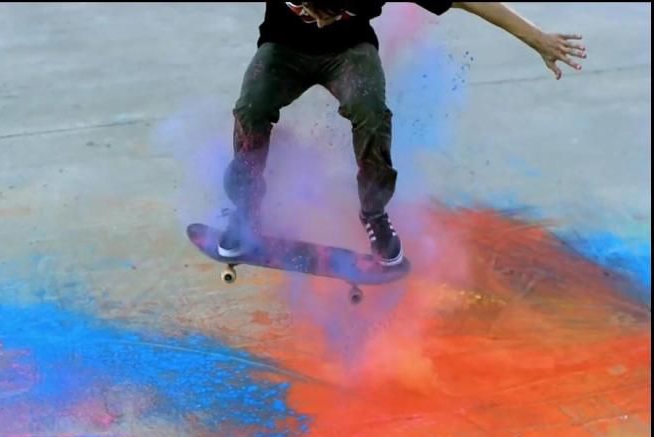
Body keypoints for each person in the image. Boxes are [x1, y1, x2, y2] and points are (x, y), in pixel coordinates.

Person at [218, 0, 586, 265]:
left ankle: (374, 213)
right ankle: (246, 208)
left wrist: (536, 38)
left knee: (372, 115)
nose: (322, 24)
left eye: (334, 14)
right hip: (282, 50)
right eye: (315, 12)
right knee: (251, 108)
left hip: (349, 53)